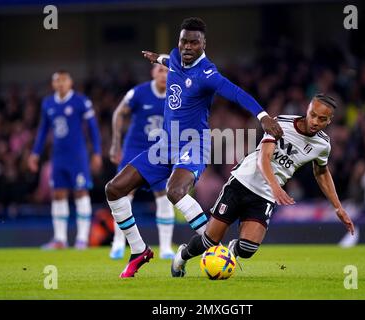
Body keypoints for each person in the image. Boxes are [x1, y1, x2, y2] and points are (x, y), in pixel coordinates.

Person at [104, 17, 283, 278]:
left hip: (193, 143)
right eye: (183, 41)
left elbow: (236, 93)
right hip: (165, 145)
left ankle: (216, 248)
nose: (187, 46)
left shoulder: (208, 74)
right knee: (114, 189)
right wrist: (158, 58)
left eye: (193, 42)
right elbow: (171, 61)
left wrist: (263, 116)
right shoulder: (176, 57)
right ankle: (139, 251)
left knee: (174, 191)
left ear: (203, 44)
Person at [171, 94, 355, 277]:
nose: (315, 121)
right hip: (242, 182)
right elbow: (263, 159)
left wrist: (338, 207)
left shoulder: (322, 145)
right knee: (210, 241)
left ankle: (233, 250)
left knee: (248, 248)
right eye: (312, 114)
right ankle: (182, 255)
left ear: (329, 121)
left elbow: (321, 172)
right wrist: (276, 187)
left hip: (265, 196)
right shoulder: (280, 124)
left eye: (322, 119)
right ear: (307, 109)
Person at [109, 59, 176, 260]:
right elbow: (118, 113)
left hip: (160, 151)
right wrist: (115, 142)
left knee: (164, 196)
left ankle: (165, 247)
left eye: (167, 71)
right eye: (160, 69)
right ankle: (119, 243)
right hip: (135, 148)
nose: (164, 74)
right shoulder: (138, 92)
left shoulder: (177, 94)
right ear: (153, 72)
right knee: (123, 193)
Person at [28, 70, 102, 250]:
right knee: (58, 194)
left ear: (70, 83)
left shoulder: (80, 101)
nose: (60, 84)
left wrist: (97, 153)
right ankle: (60, 239)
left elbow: (93, 128)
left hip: (77, 156)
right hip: (58, 156)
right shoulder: (48, 103)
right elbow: (43, 130)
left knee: (81, 192)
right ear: (53, 84)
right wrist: (35, 153)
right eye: (57, 81)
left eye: (63, 80)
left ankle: (82, 239)